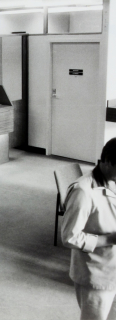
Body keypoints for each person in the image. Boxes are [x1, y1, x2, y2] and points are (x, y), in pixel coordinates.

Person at [62, 137, 116, 320]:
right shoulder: (83, 192)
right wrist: (109, 239)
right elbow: (70, 236)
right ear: (107, 162)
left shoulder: (113, 179)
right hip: (96, 275)